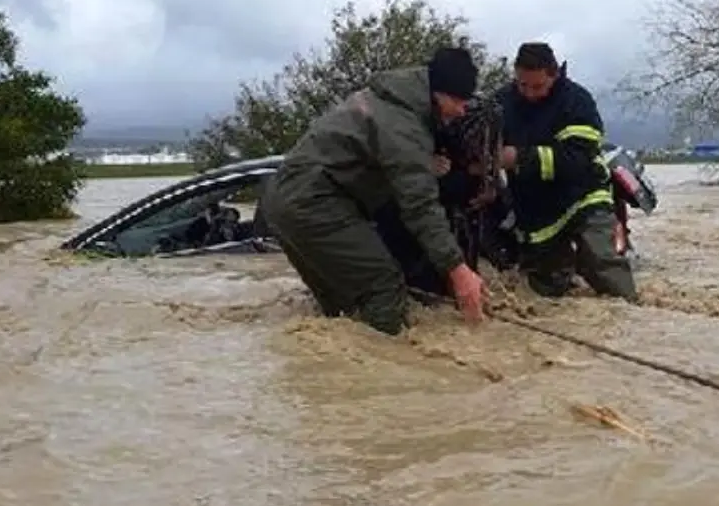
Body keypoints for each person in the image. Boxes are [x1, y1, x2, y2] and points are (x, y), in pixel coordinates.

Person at [259, 47, 488, 335]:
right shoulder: (404, 124)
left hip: (285, 201)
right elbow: (420, 207)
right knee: (384, 288)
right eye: (458, 100)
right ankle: (395, 372)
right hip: (314, 202)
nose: (462, 109)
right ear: (438, 93)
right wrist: (459, 271)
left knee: (341, 308)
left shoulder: (391, 101)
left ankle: (336, 375)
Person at [495, 42, 638, 300]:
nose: (528, 93)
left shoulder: (577, 102)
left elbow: (577, 160)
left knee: (601, 262)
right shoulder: (501, 103)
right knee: (547, 290)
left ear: (555, 75)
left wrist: (519, 157)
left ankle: (633, 314)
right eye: (522, 85)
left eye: (537, 86)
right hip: (537, 214)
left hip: (583, 197)